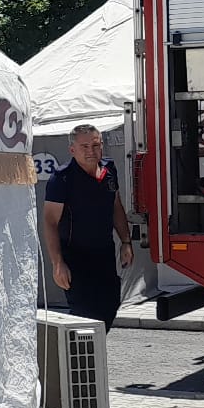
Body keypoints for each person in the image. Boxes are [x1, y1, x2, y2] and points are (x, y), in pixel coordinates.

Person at [42, 124, 133, 327]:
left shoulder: (108, 169)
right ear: (72, 150)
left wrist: (126, 241)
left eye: (96, 145)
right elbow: (50, 222)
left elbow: (115, 206)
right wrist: (57, 263)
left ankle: (92, 356)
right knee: (85, 316)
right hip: (75, 259)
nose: (91, 151)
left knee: (110, 307)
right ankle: (82, 359)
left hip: (104, 254)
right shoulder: (62, 178)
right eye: (84, 146)